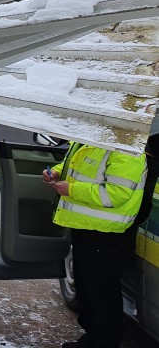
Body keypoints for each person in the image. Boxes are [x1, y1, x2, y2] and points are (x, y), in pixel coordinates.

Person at [44, 140, 147, 348]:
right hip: (86, 228)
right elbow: (72, 166)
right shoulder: (88, 141)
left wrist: (72, 189)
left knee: (102, 294)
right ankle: (92, 339)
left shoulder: (127, 150)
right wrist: (55, 173)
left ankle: (103, 343)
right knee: (87, 289)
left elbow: (116, 194)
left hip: (107, 234)